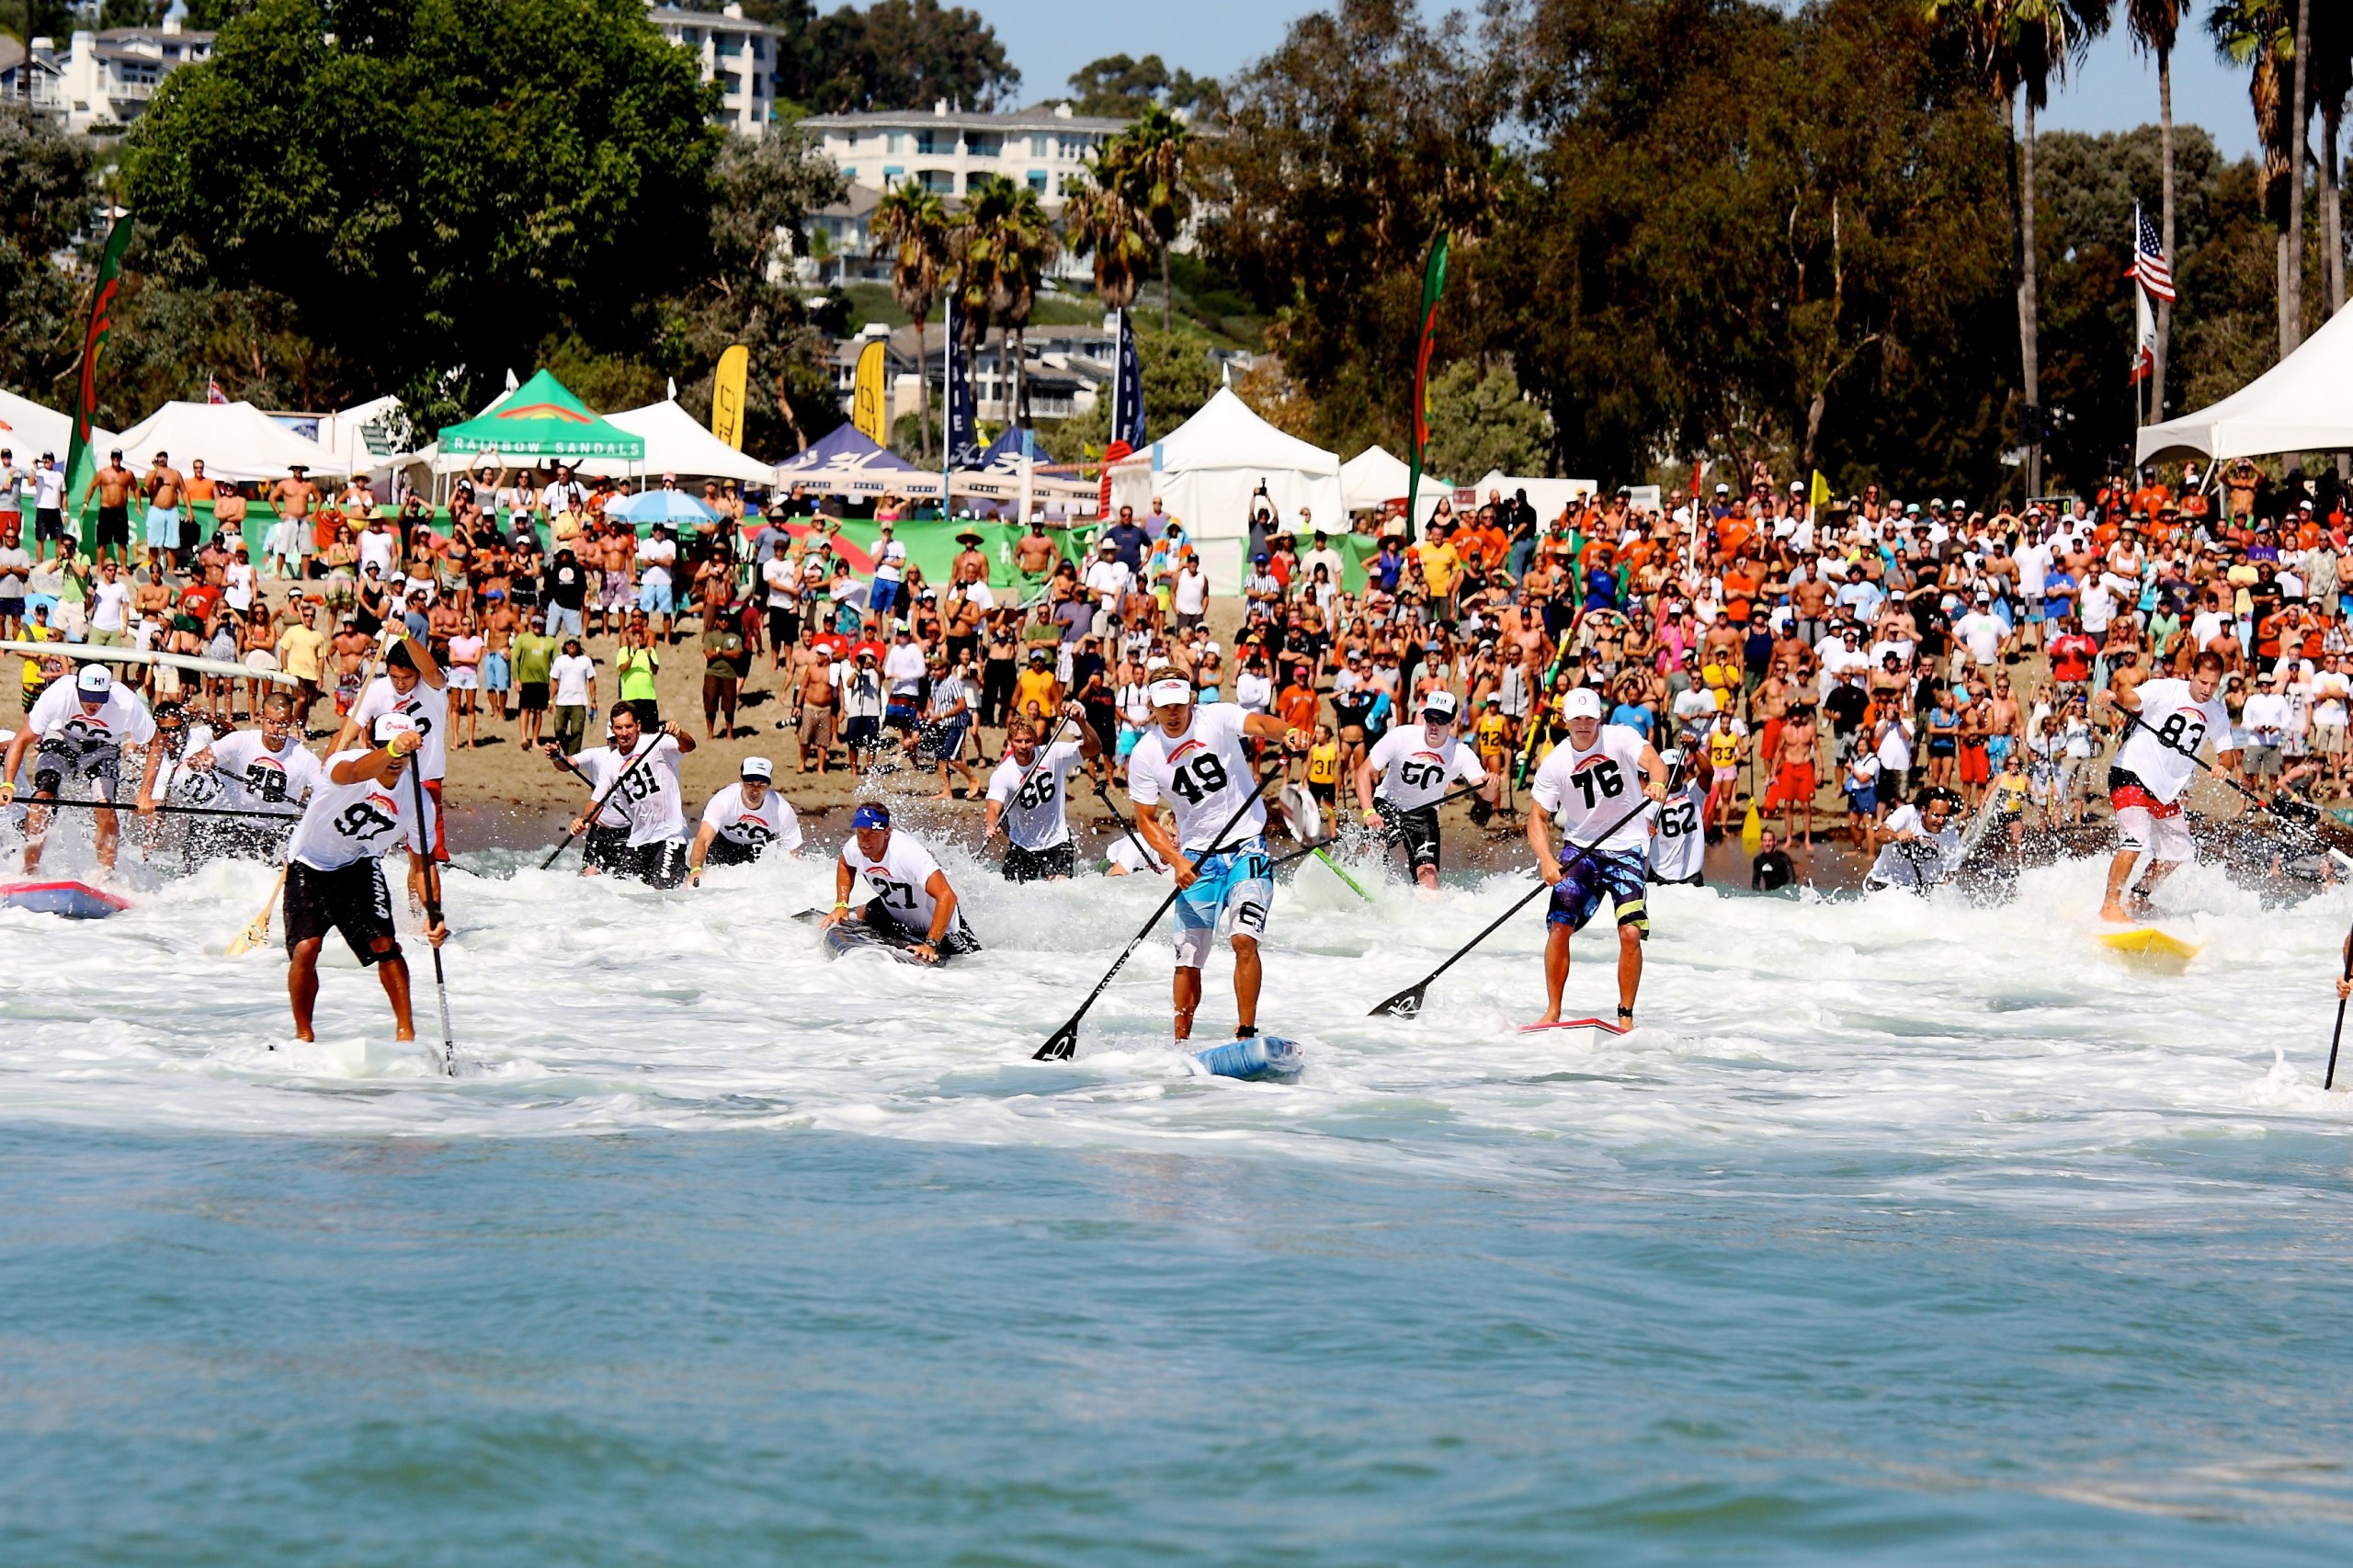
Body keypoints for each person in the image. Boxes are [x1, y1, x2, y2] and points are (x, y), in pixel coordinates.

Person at [1125, 676, 1305, 1042]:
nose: (1173, 713)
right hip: (1196, 858)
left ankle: (1246, 1034)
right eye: (1164, 705)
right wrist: (1175, 860)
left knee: (1243, 940)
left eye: (1179, 703)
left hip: (1246, 847)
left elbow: (1261, 725)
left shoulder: (1216, 717)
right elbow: (1144, 818)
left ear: (1191, 699)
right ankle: (1180, 1044)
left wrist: (1288, 732)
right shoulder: (1145, 754)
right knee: (1187, 958)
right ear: (1152, 706)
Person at [281, 712, 448, 1043]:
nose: (396, 760)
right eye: (387, 748)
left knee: (385, 945)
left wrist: (435, 914)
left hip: (359, 864)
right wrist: (394, 750)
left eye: (403, 754)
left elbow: (422, 865)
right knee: (306, 949)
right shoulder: (344, 763)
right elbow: (356, 773)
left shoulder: (418, 801)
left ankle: (406, 1035)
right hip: (309, 863)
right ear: (372, 743)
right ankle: (303, 1036)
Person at [1525, 687, 1670, 1028]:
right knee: (1560, 926)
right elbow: (1536, 818)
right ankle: (1553, 1011)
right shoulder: (1555, 763)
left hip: (1628, 846)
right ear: (1566, 720)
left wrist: (1657, 782)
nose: (1584, 725)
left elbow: (1655, 762)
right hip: (1582, 849)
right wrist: (1547, 859)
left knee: (1630, 933)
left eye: (1589, 717)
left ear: (1599, 717)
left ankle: (1625, 1018)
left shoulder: (1620, 738)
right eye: (1577, 719)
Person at [2092, 649, 2238, 922]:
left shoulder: (2217, 713)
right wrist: (2113, 698)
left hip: (2164, 790)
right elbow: (2132, 700)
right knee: (2136, 838)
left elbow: (2227, 754)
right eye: (2202, 682)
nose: (2207, 690)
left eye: (2213, 685)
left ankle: (2138, 896)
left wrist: (2223, 766)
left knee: (2179, 848)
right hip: (2131, 771)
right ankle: (2110, 906)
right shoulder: (2166, 689)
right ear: (2191, 674)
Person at [0, 663, 165, 879]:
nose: (92, 704)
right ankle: (30, 871)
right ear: (77, 688)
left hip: (103, 748)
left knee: (105, 807)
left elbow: (157, 742)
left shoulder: (125, 703)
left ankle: (105, 876)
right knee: (42, 799)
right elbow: (21, 740)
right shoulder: (58, 694)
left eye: (98, 699)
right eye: (87, 697)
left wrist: (146, 793)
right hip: (61, 740)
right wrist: (8, 784)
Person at [1352, 689, 1491, 891]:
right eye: (1430, 718)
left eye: (1441, 720)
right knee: (1372, 852)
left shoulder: (1460, 752)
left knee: (1429, 877)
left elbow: (1486, 792)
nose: (1434, 725)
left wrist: (1491, 785)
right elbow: (1362, 773)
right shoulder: (1401, 736)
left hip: (1423, 814)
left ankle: (1428, 915)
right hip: (1388, 804)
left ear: (1453, 722)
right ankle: (1363, 894)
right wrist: (1368, 811)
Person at [350, 628, 450, 894]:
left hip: (426, 781)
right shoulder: (377, 689)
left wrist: (405, 635)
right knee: (365, 850)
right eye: (394, 676)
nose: (400, 683)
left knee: (422, 860)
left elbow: (430, 670)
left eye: (406, 677)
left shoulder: (433, 686)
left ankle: (422, 922)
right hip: (386, 782)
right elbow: (348, 730)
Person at [552, 704, 696, 886]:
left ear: (638, 726)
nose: (624, 733)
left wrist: (679, 733)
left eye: (628, 726)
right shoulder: (611, 765)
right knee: (619, 893)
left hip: (670, 835)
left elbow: (689, 746)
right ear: (613, 730)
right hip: (639, 839)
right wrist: (583, 821)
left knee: (663, 892)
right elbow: (597, 802)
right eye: (619, 728)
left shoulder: (656, 743)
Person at [825, 801, 979, 962]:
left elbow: (947, 897)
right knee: (870, 911)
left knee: (967, 962)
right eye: (861, 833)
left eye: (872, 833)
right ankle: (854, 912)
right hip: (896, 914)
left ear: (886, 832)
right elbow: (845, 864)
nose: (865, 841)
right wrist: (841, 905)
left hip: (940, 928)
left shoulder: (907, 853)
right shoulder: (855, 847)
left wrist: (931, 943)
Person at [181, 691, 323, 860]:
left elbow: (325, 790)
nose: (276, 730)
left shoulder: (304, 758)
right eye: (270, 722)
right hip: (239, 826)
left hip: (280, 832)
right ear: (262, 718)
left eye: (282, 724)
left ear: (291, 722)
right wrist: (201, 759)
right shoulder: (241, 740)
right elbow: (211, 753)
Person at [983, 704, 1098, 881]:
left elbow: (1094, 748)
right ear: (1009, 740)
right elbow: (993, 807)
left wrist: (1081, 722)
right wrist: (991, 825)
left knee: (1061, 892)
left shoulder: (1052, 753)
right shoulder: (1003, 773)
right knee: (1012, 896)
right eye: (1018, 741)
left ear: (1035, 739)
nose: (1024, 746)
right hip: (1022, 843)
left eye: (1028, 740)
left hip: (1057, 841)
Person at [687, 755, 802, 884]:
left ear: (769, 786)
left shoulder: (782, 811)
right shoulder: (723, 801)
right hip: (724, 844)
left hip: (761, 850)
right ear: (740, 781)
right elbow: (703, 840)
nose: (755, 790)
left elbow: (794, 855)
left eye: (762, 785)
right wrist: (696, 870)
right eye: (750, 783)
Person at [1864, 787, 1963, 892]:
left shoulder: (1950, 832)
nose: (1941, 821)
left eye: (1945, 816)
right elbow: (1879, 835)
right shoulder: (1908, 813)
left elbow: (1950, 876)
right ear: (1924, 810)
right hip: (1885, 881)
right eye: (1936, 815)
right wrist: (1896, 836)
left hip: (1919, 888)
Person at [1647, 748, 1707, 886]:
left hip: (1691, 874)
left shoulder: (1694, 791)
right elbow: (1644, 822)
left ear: (1684, 772)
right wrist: (1647, 829)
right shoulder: (1652, 798)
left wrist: (1694, 749)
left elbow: (1708, 773)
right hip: (1660, 873)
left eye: (1678, 770)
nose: (1675, 775)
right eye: (1670, 770)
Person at [1751, 827, 1796, 892]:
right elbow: (1755, 883)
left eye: (1770, 841)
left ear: (1775, 842)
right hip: (1769, 894)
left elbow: (1791, 879)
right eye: (1765, 841)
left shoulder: (1783, 858)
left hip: (1784, 892)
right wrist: (1759, 894)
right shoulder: (1758, 860)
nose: (1767, 844)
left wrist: (1784, 891)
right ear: (1761, 843)